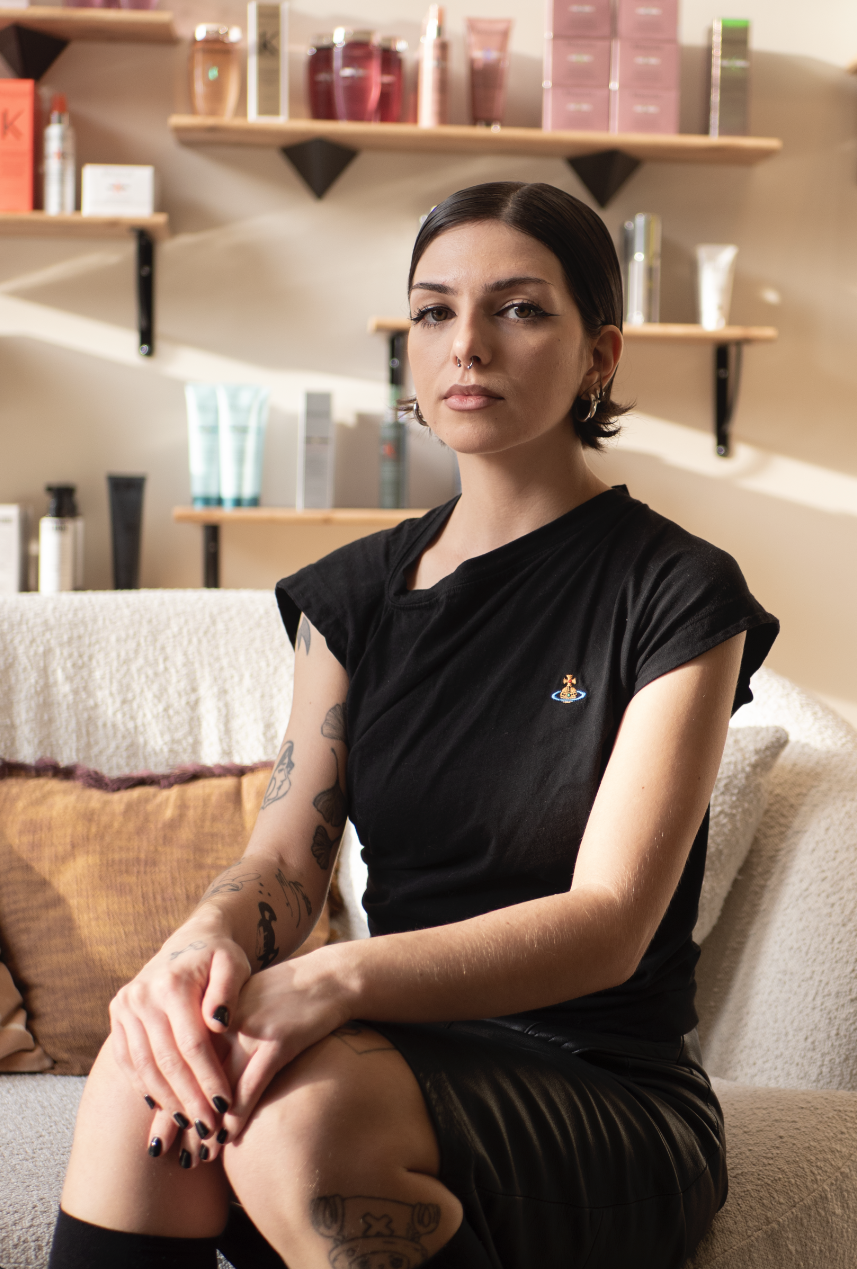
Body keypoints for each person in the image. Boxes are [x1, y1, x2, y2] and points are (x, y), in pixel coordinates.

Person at [51, 181, 778, 1269]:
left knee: (304, 1119)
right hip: (395, 1052)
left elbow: (608, 921)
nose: (466, 344)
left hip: (600, 1081)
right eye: (434, 311)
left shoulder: (675, 591)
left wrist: (331, 976)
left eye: (519, 309)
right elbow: (285, 859)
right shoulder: (351, 597)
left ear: (599, 355)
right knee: (143, 1067)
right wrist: (199, 946)